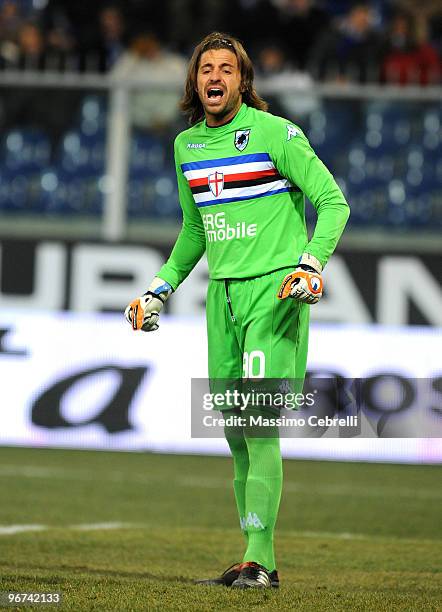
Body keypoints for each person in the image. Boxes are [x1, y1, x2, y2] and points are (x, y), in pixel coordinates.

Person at [124, 32, 349, 589]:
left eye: (227, 68)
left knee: (258, 425)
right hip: (220, 299)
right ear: (194, 81)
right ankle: (253, 558)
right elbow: (195, 230)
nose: (215, 77)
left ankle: (262, 562)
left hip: (275, 294)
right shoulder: (187, 147)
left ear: (242, 80)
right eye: (206, 69)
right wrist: (159, 289)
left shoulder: (276, 134)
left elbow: (333, 201)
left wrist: (310, 264)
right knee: (234, 432)